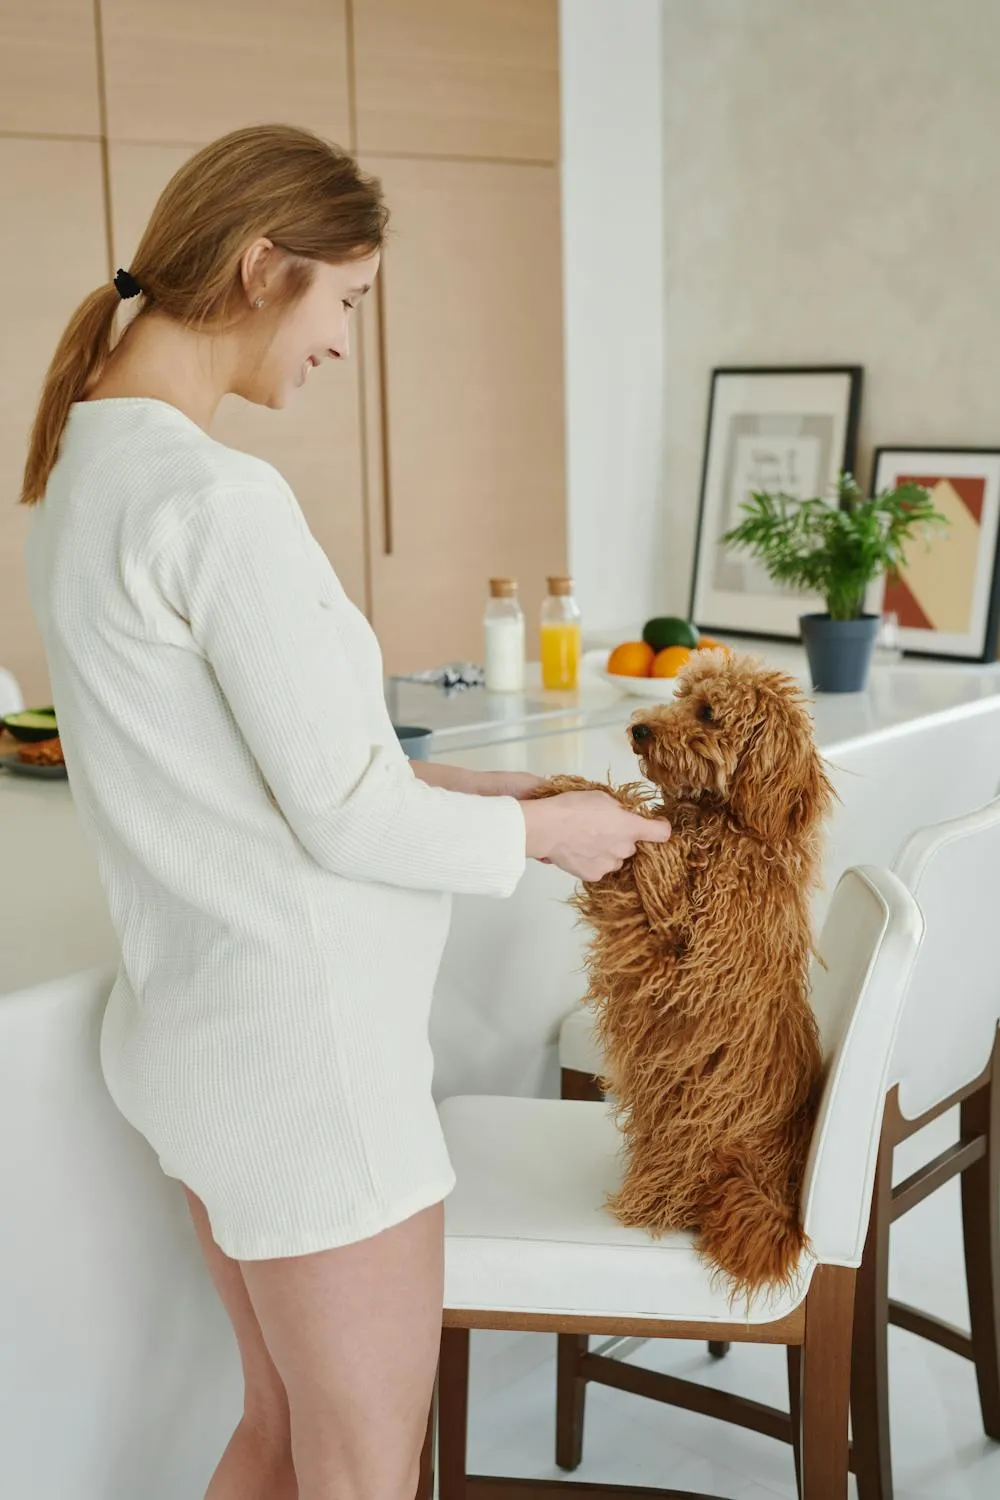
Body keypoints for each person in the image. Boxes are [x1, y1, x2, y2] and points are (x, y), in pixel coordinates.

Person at [20, 124, 671, 1500]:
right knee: (366, 1469)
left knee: (280, 1437)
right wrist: (557, 835)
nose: (342, 342)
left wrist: (488, 787)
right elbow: (347, 822)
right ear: (265, 267)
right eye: (347, 302)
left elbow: (271, 774)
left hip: (206, 1045)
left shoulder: (84, 475)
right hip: (310, 1075)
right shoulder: (216, 502)